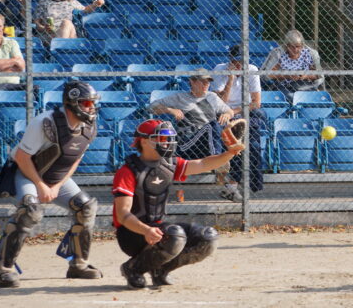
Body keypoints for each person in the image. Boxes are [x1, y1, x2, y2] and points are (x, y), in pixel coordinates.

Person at [0, 81, 103, 287]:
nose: (91, 107)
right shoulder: (45, 122)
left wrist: (57, 186)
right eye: (86, 103)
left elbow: (75, 158)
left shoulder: (89, 126)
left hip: (55, 177)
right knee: (31, 211)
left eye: (93, 103)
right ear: (72, 103)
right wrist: (40, 185)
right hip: (26, 173)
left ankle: (78, 265)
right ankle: (2, 269)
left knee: (86, 207)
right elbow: (23, 157)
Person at [113, 119, 244, 289]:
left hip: (157, 228)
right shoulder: (127, 171)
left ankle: (160, 270)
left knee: (206, 238)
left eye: (168, 139)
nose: (167, 143)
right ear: (143, 141)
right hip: (132, 234)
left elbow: (203, 164)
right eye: (161, 139)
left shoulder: (169, 164)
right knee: (174, 235)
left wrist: (230, 153)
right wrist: (146, 230)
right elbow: (123, 215)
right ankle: (133, 269)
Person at [212, 44, 266, 200]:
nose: (239, 65)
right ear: (230, 60)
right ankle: (233, 186)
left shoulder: (252, 70)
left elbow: (256, 102)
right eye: (236, 61)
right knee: (236, 143)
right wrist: (230, 79)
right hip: (223, 112)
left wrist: (234, 112)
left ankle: (242, 185)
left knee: (253, 145)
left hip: (245, 111)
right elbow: (220, 101)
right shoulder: (220, 69)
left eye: (242, 61)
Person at [149, 69, 235, 162]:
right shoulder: (180, 98)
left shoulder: (212, 96)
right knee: (212, 126)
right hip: (188, 143)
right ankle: (217, 161)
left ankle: (234, 169)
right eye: (203, 81)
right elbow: (151, 108)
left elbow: (230, 112)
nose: (206, 84)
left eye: (208, 82)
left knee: (232, 127)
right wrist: (169, 110)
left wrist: (227, 114)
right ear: (192, 82)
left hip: (209, 141)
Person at [33, 0, 104, 42]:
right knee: (67, 24)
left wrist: (95, 4)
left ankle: (60, 49)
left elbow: (85, 10)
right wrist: (44, 28)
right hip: (50, 35)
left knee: (67, 23)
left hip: (68, 32)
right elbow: (36, 23)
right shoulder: (44, 2)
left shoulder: (71, 1)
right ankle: (65, 49)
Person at [261, 29, 324, 101]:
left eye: (298, 46)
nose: (295, 49)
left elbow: (318, 75)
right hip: (285, 86)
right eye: (292, 46)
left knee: (310, 97)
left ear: (302, 45)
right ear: (287, 45)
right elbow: (267, 75)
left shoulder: (309, 54)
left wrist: (305, 76)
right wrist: (287, 76)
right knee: (290, 97)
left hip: (304, 85)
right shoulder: (280, 55)